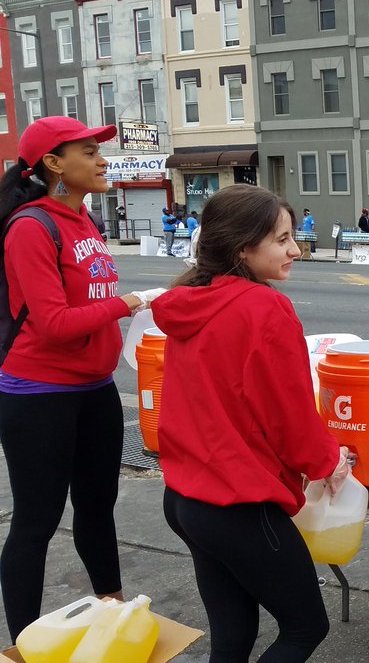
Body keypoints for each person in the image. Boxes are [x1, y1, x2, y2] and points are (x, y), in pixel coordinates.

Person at [153, 184, 349, 660]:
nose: (295, 250)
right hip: (237, 501)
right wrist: (328, 462)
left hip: (185, 497)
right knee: (305, 627)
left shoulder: (189, 300)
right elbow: (289, 413)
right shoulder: (262, 307)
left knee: (233, 634)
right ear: (242, 247)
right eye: (282, 240)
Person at [0, 116, 166, 639]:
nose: (102, 160)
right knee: (37, 521)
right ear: (54, 164)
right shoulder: (31, 226)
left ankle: (114, 612)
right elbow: (54, 324)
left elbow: (88, 298)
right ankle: (26, 643)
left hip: (95, 389)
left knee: (97, 508)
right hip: (39, 394)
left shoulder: (84, 219)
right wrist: (132, 301)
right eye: (89, 152)